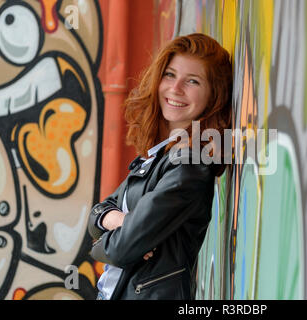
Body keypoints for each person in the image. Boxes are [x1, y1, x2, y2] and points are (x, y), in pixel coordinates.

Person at [87, 33, 233, 300]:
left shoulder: (190, 167)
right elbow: (98, 213)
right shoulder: (159, 159)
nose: (176, 89)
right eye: (169, 75)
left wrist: (100, 244)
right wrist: (118, 220)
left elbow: (122, 248)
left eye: (192, 81)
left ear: (214, 96)